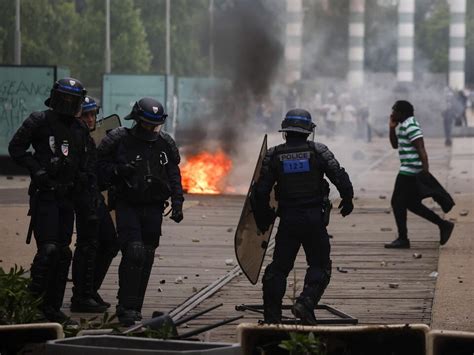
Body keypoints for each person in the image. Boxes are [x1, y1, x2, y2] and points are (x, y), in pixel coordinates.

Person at [253, 108, 354, 325]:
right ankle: (305, 303)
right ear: (308, 132)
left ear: (285, 132)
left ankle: (272, 316)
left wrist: (263, 219)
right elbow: (339, 175)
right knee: (320, 265)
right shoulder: (319, 152)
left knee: (278, 268)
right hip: (314, 220)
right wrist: (348, 199)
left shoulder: (274, 155)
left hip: (288, 220)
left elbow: (260, 192)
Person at [8, 77, 90, 324]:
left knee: (63, 253)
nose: (66, 103)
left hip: (68, 197)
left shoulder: (79, 129)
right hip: (46, 195)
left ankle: (52, 308)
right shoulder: (39, 120)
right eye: (63, 98)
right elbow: (16, 148)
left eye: (71, 99)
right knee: (48, 249)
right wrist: (37, 169)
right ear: (55, 98)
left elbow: (88, 163)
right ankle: (31, 306)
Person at [97, 97, 184, 326]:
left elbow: (173, 174)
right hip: (128, 204)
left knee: (146, 255)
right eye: (146, 123)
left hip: (154, 207)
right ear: (136, 119)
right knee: (133, 252)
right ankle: (125, 307)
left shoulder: (164, 142)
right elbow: (98, 168)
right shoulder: (119, 140)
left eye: (154, 124)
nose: (150, 128)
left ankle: (136, 307)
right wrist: (119, 171)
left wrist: (178, 202)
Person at [70, 96, 119, 313]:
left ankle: (89, 291)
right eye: (85, 115)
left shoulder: (92, 137)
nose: (90, 119)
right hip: (79, 196)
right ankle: (81, 296)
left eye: (92, 114)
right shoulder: (70, 136)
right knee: (86, 245)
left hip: (94, 195)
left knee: (109, 242)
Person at [385, 100, 454, 249]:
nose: (392, 114)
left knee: (397, 203)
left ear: (402, 113)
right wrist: (391, 128)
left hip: (410, 172)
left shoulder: (411, 125)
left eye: (394, 111)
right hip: (409, 170)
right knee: (411, 204)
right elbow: (394, 145)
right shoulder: (403, 125)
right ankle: (443, 225)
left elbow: (421, 148)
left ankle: (403, 238)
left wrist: (426, 172)